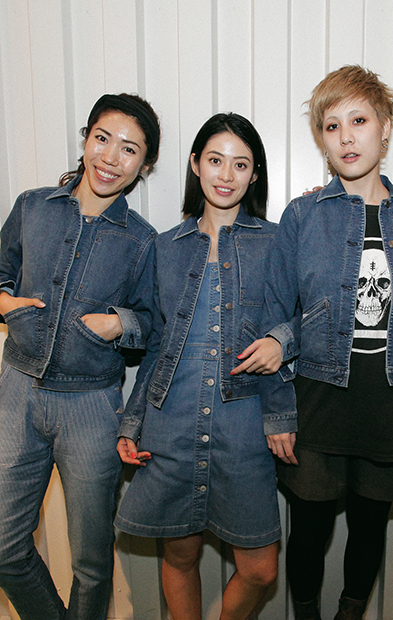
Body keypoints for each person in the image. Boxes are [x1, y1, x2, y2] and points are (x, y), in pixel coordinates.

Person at [261, 65, 393, 620]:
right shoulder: (302, 215)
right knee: (309, 529)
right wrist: (277, 412)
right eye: (331, 126)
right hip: (319, 399)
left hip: (390, 401)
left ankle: (350, 614)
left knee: (369, 525)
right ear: (322, 139)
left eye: (358, 121)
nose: (346, 137)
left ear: (385, 127)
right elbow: (275, 316)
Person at [115, 113, 291, 620]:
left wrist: (281, 340)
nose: (226, 175)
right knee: (180, 554)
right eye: (215, 160)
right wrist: (131, 422)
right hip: (171, 419)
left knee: (261, 570)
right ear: (195, 164)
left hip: (246, 424)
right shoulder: (164, 246)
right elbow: (156, 344)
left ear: (254, 175)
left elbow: (313, 317)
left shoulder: (278, 241)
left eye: (241, 164)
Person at [0, 93, 160, 620]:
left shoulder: (142, 241)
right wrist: (5, 303)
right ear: (86, 139)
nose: (111, 157)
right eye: (102, 139)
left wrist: (120, 323)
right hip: (16, 391)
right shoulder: (32, 207)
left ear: (144, 165)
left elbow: (154, 325)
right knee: (4, 548)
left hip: (92, 407)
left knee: (91, 564)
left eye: (130, 149)